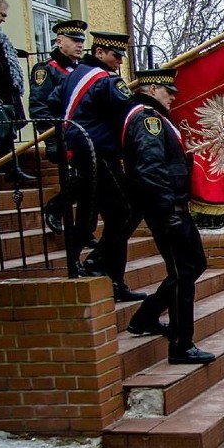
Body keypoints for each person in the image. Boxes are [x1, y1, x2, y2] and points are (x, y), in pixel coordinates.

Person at [120, 69, 215, 365]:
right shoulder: (147, 119)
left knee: (194, 264)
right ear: (151, 89)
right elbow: (149, 169)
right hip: (167, 210)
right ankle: (180, 344)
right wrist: (169, 208)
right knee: (183, 273)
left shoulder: (157, 119)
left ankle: (145, 317)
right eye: (167, 91)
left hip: (174, 207)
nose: (173, 96)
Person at [48, 31, 143, 302]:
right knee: (122, 213)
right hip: (99, 151)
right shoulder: (105, 80)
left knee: (90, 211)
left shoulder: (75, 75)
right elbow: (129, 110)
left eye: (121, 57)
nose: (119, 62)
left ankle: (95, 267)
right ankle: (102, 268)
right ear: (99, 52)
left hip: (80, 149)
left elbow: (54, 102)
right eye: (115, 55)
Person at [28, 19, 88, 233]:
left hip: (81, 134)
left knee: (89, 182)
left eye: (81, 41)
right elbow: (38, 106)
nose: (80, 45)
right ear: (59, 42)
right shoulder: (47, 70)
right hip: (62, 135)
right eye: (74, 40)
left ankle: (82, 231)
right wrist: (50, 137)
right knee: (79, 180)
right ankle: (55, 209)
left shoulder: (81, 70)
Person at [0, 0, 32, 182]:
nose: (4, 18)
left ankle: (12, 168)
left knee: (4, 132)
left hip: (0, 91)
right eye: (2, 14)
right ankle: (11, 169)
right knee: (1, 129)